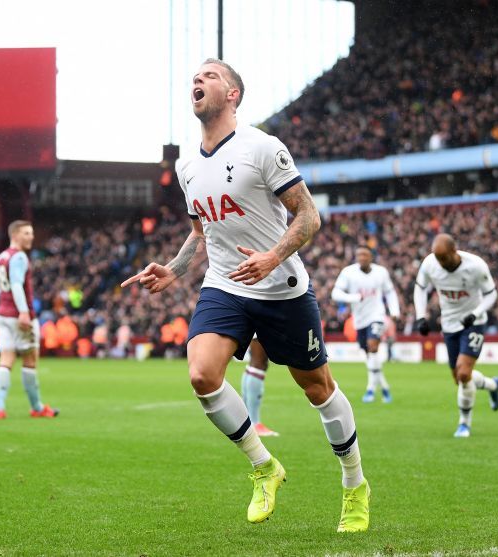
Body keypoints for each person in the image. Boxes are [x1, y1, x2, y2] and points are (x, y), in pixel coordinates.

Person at [121, 59, 369, 532]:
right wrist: (173, 271)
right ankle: (263, 466)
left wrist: (273, 257)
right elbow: (201, 231)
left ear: (232, 94)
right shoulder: (187, 165)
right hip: (225, 285)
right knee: (201, 374)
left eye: (210, 75)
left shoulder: (262, 147)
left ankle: (354, 484)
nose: (199, 80)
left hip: (281, 288)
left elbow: (309, 217)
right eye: (196, 76)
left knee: (318, 389)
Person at [414, 234, 498, 438]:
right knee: (460, 378)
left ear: (455, 251)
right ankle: (492, 385)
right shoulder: (430, 263)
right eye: (437, 258)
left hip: (474, 323)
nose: (440, 263)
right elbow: (420, 289)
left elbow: (492, 294)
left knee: (464, 374)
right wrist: (421, 317)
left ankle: (464, 424)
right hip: (449, 324)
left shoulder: (476, 266)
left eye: (443, 258)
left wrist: (476, 313)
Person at [0, 220, 59, 420]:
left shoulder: (2, 256)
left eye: (31, 233)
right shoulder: (19, 257)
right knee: (30, 360)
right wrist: (23, 312)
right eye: (26, 233)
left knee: (5, 359)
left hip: (2, 314)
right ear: (15, 236)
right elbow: (16, 285)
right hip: (18, 315)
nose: (31, 237)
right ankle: (37, 407)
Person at [332, 246, 400, 403]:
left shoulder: (381, 272)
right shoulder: (348, 272)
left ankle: (370, 389)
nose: (361, 257)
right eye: (359, 254)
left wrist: (394, 310)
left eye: (365, 254)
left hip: (377, 315)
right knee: (370, 356)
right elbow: (335, 293)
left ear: (372, 257)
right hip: (359, 319)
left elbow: (389, 292)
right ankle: (385, 387)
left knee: (373, 346)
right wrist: (354, 297)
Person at [241, 336, 279, 436]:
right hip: (261, 321)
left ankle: (246, 421)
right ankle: (254, 423)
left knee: (255, 362)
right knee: (259, 363)